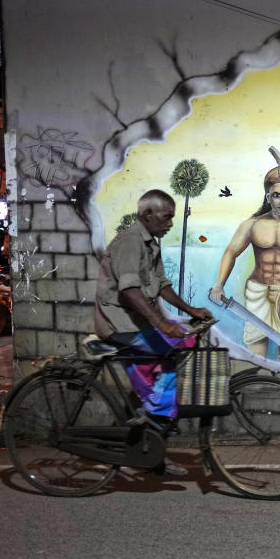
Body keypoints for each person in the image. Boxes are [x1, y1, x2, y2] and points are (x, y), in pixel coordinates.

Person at [94, 189, 212, 474]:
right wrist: (162, 324)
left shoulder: (151, 244)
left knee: (180, 350)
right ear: (148, 214)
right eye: (167, 217)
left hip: (136, 323)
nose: (171, 223)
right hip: (119, 323)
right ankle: (150, 444)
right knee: (165, 363)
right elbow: (130, 290)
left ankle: (146, 422)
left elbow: (161, 285)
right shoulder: (130, 242)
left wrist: (191, 310)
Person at [210, 147, 280, 364]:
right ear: (268, 197)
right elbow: (231, 252)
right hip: (257, 293)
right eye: (277, 196)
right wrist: (219, 285)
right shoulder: (252, 225)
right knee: (256, 352)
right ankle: (256, 390)